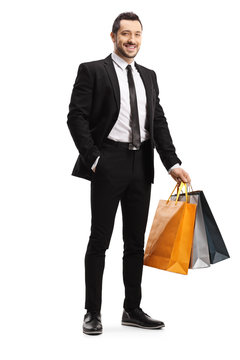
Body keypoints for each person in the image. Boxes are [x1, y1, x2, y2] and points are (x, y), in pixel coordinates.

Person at [67, 12, 191, 335]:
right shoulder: (93, 71)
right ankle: (92, 311)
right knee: (100, 239)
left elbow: (157, 121)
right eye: (125, 34)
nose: (132, 40)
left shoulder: (148, 75)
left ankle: (131, 308)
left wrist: (172, 163)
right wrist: (95, 159)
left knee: (135, 242)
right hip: (108, 162)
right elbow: (75, 117)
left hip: (142, 166)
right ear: (113, 37)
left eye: (137, 34)